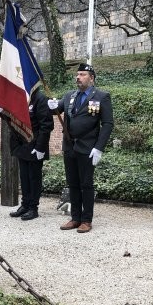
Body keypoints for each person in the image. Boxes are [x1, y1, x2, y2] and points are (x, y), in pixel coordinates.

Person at [48, 63, 114, 233]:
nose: (78, 77)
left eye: (82, 74)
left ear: (91, 78)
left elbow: (107, 124)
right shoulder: (70, 95)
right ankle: (75, 218)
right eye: (77, 74)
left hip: (88, 147)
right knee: (73, 184)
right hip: (70, 146)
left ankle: (86, 219)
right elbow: (57, 110)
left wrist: (99, 148)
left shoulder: (101, 96)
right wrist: (51, 106)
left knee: (86, 184)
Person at [0, 88, 54, 221]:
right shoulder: (20, 97)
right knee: (24, 177)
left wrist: (40, 147)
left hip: (35, 145)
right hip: (21, 145)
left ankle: (33, 208)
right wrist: (1, 113)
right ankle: (25, 205)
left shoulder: (40, 99)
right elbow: (14, 120)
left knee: (34, 178)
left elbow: (46, 125)